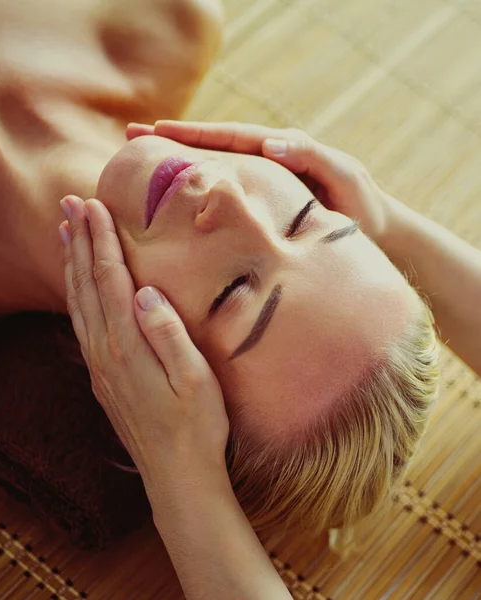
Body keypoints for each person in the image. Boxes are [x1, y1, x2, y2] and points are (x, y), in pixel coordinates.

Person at [60, 120, 481, 599]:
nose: (232, 199)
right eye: (303, 216)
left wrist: (178, 464)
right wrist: (384, 220)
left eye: (231, 291)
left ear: (145, 387)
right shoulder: (167, 47)